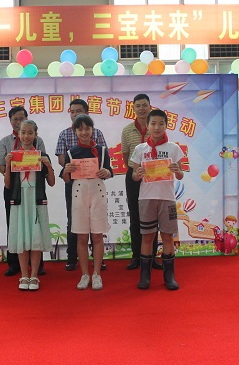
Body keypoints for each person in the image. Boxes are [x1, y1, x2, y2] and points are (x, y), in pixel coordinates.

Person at [131, 110, 185, 290]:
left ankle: (169, 276)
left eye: (161, 123)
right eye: (153, 123)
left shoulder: (174, 148)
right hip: (146, 198)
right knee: (147, 236)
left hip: (167, 199)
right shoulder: (140, 149)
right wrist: (138, 173)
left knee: (168, 236)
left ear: (166, 125)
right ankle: (145, 276)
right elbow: (134, 176)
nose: (157, 127)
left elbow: (181, 174)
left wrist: (177, 170)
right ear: (147, 126)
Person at [55, 98, 107, 272]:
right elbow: (62, 160)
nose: (75, 114)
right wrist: (72, 167)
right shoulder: (64, 134)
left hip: (94, 184)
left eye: (79, 111)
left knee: (96, 223)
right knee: (74, 222)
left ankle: (98, 259)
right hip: (74, 184)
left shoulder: (98, 133)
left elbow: (104, 159)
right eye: (72, 111)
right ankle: (72, 257)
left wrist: (102, 170)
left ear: (87, 112)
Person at [62, 114, 113, 290]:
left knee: (97, 235)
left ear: (92, 130)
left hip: (98, 193)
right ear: (75, 131)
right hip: (78, 194)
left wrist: (106, 172)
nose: (84, 132)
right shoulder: (71, 153)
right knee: (82, 237)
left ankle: (97, 273)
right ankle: (85, 274)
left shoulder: (102, 151)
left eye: (87, 128)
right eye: (80, 129)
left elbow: (109, 172)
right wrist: (66, 170)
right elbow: (67, 180)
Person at [4, 120, 55, 291]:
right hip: (20, 200)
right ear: (18, 134)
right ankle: (24, 275)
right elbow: (8, 185)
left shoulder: (41, 156)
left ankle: (34, 275)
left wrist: (48, 165)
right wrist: (8, 165)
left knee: (36, 237)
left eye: (30, 133)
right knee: (21, 237)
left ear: (35, 135)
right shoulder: (13, 156)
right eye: (23, 132)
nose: (26, 136)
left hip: (36, 199)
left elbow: (52, 182)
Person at [0, 106, 47, 277]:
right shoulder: (5, 141)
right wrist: (13, 169)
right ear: (10, 121)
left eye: (21, 118)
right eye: (15, 119)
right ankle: (14, 264)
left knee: (35, 225)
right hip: (13, 188)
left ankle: (37, 266)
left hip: (33, 188)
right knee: (15, 225)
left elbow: (42, 161)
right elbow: (1, 166)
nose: (18, 122)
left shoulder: (38, 140)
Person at [120, 93, 162, 271]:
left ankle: (152, 256)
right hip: (134, 177)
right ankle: (136, 256)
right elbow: (125, 155)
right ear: (134, 109)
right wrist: (135, 170)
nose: (142, 109)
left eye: (145, 105)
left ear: (150, 107)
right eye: (138, 106)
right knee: (135, 217)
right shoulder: (127, 130)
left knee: (153, 217)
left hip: (154, 177)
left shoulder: (157, 129)